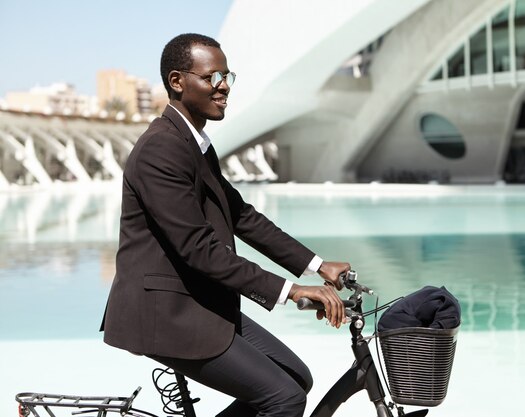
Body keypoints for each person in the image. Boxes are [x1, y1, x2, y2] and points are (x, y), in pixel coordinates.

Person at [100, 33, 351, 417]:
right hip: (165, 314)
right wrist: (292, 290)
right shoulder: (161, 149)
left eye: (226, 76)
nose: (223, 87)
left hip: (197, 303)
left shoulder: (193, 144)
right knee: (283, 398)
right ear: (177, 81)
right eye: (211, 77)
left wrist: (318, 265)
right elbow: (198, 250)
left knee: (296, 379)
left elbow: (241, 217)